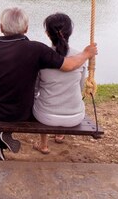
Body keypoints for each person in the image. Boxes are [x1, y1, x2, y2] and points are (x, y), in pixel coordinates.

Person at [0, 7, 97, 160]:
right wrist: (86, 54)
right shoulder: (37, 49)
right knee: (8, 101)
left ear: (1, 27)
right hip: (22, 111)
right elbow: (69, 65)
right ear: (26, 28)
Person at [32, 13, 87, 154]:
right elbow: (81, 87)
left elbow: (36, 89)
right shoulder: (80, 57)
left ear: (47, 33)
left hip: (46, 116)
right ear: (70, 32)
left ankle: (43, 145)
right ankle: (60, 134)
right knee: (68, 95)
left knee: (40, 99)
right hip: (75, 116)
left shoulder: (42, 57)